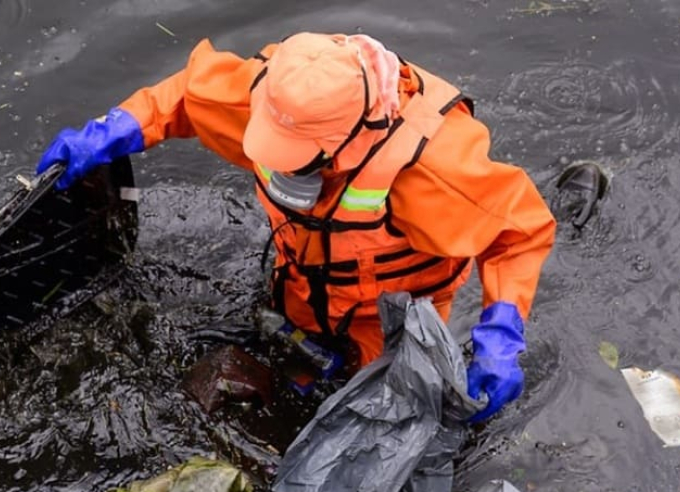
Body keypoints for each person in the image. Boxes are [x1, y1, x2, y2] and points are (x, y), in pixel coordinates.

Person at [37, 32, 555, 421]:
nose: (281, 167)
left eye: (299, 161)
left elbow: (519, 231)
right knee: (281, 384)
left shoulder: (435, 166)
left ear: (350, 138)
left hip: (391, 314)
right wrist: (110, 132)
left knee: (381, 408)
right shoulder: (276, 95)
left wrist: (501, 334)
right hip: (301, 283)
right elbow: (184, 98)